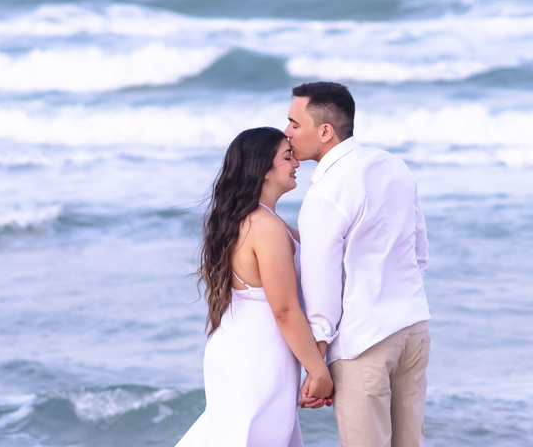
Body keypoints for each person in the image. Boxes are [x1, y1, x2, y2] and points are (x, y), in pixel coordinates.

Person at [286, 82, 431, 447]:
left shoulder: (325, 193)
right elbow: (420, 254)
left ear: (325, 131)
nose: (286, 133)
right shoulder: (394, 166)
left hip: (363, 343)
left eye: (294, 124)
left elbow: (321, 295)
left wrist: (315, 370)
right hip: (413, 330)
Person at [176, 127, 333, 447]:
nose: (297, 164)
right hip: (257, 357)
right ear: (263, 169)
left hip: (241, 348)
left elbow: (322, 250)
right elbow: (285, 310)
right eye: (287, 157)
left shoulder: (249, 219)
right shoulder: (265, 227)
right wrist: (318, 371)